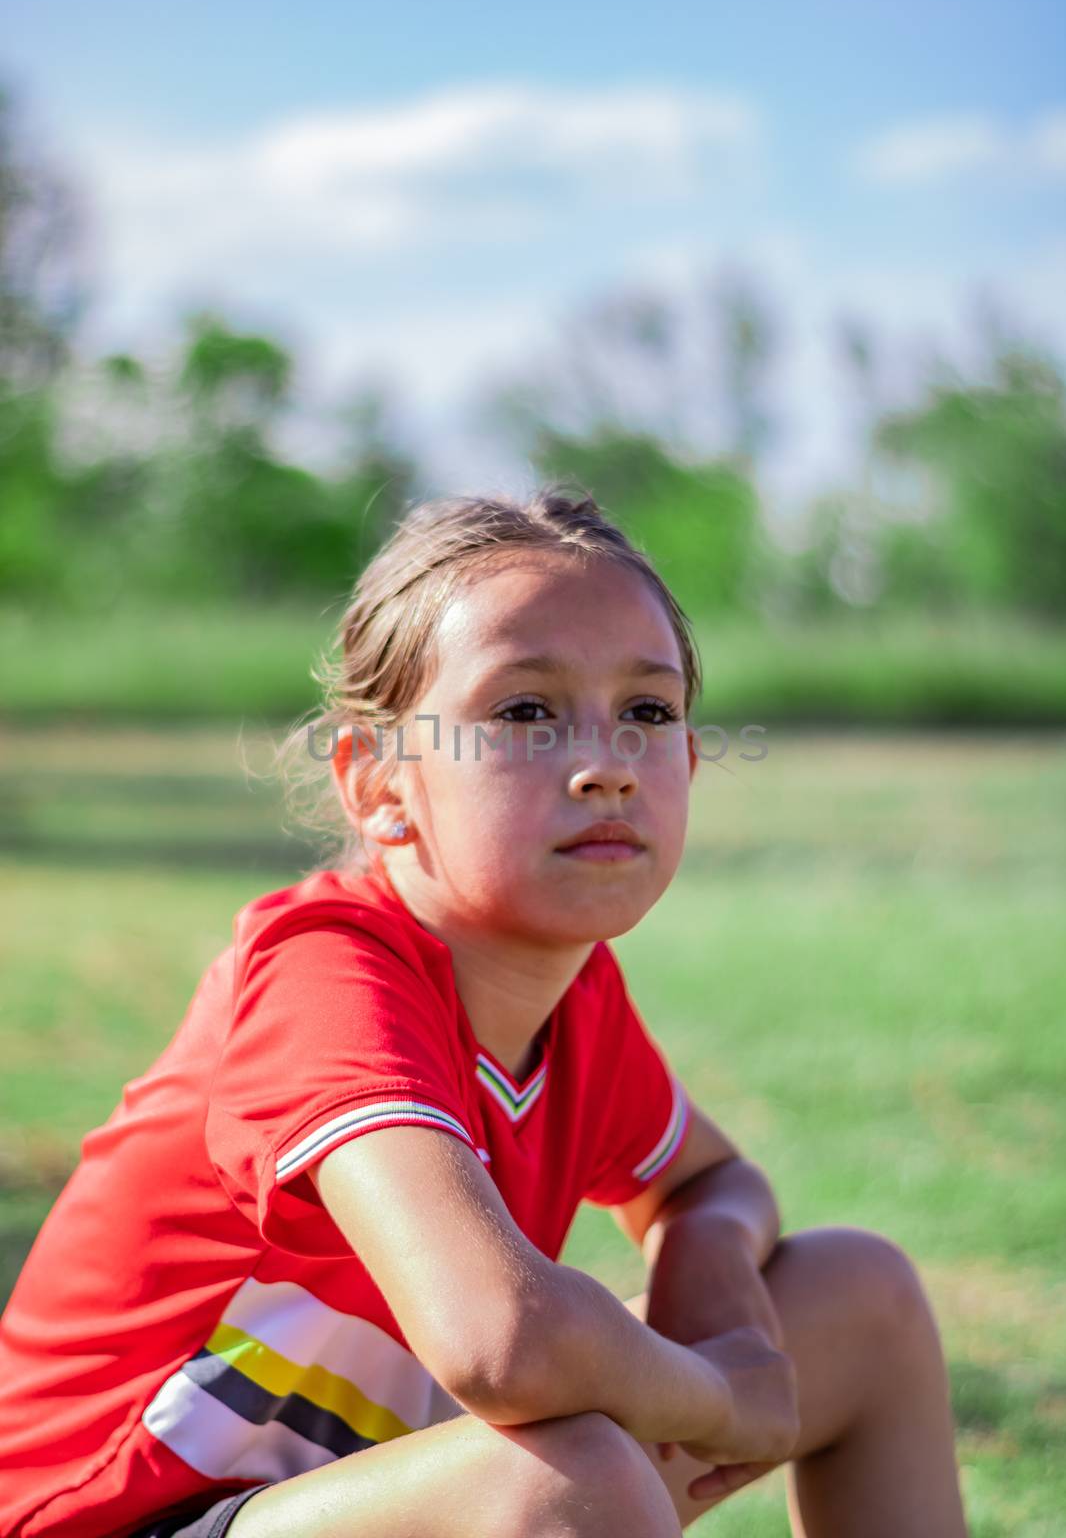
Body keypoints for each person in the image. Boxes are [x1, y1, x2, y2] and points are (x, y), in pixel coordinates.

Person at [0, 487, 969, 1538]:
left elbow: (712, 1181)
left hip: (355, 1498)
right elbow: (498, 1342)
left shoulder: (575, 993)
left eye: (646, 712)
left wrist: (717, 1296)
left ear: (690, 761)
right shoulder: (326, 971)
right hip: (118, 1523)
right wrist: (719, 1394)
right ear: (378, 785)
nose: (603, 766)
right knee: (563, 1475)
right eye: (523, 711)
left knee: (855, 1294)